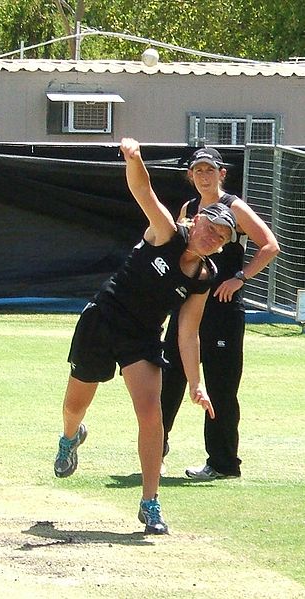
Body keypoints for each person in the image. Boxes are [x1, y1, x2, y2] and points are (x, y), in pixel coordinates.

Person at [53, 138, 238, 535]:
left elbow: (188, 333)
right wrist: (134, 157)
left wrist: (195, 383)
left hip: (141, 339)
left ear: (222, 246)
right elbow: (143, 190)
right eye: (211, 227)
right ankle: (70, 437)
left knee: (151, 416)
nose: (212, 237)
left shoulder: (203, 277)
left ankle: (150, 503)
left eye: (221, 237)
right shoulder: (166, 233)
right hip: (103, 319)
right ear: (198, 220)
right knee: (75, 404)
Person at [161, 147, 280, 480]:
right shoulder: (188, 209)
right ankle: (156, 447)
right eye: (197, 171)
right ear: (191, 175)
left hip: (224, 310)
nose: (203, 176)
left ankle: (223, 463)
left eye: (209, 170)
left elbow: (270, 245)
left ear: (221, 174)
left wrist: (239, 278)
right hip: (187, 306)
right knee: (169, 375)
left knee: (221, 386)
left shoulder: (234, 207)